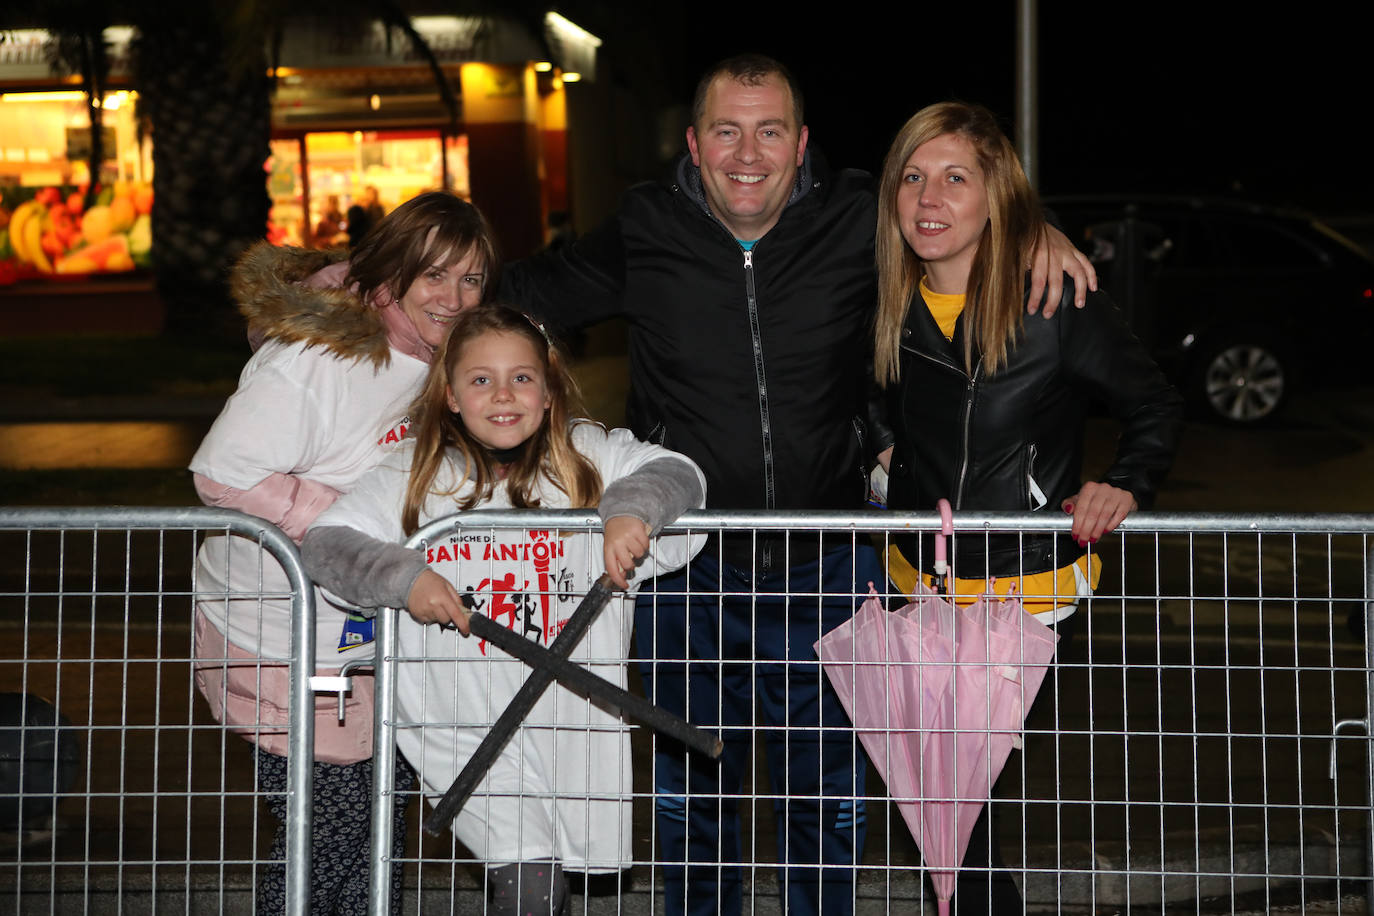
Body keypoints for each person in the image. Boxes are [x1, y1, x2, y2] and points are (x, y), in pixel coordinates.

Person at [500, 54, 1098, 916]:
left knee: (828, 799)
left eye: (769, 130)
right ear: (696, 144)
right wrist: (381, 279)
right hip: (687, 568)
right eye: (728, 131)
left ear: (801, 142)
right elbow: (516, 293)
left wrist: (1032, 230)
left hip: (831, 563)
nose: (750, 152)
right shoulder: (646, 226)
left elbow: (954, 220)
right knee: (689, 796)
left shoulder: (857, 215)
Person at [872, 101, 1184, 913]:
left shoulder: (1053, 301)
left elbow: (1154, 404)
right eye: (913, 177)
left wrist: (1128, 481)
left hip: (1028, 592)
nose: (929, 198)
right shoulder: (888, 305)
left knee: (959, 802)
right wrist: (879, 452)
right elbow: (862, 404)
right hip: (921, 586)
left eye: (954, 179)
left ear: (995, 197)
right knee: (944, 810)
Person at [298, 304, 707, 915]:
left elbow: (680, 472)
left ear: (548, 391)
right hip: (460, 719)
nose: (503, 394)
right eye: (481, 379)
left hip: (574, 717)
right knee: (530, 884)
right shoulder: (414, 472)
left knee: (551, 881)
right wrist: (404, 578)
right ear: (451, 397)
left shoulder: (586, 455)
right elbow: (327, 545)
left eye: (521, 377)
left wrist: (633, 508)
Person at [189, 190, 495, 915]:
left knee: (372, 830)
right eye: (435, 277)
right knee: (327, 838)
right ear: (389, 279)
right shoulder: (318, 357)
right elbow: (221, 472)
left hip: (361, 637)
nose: (455, 298)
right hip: (278, 635)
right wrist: (343, 522)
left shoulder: (431, 358)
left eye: (473, 279)